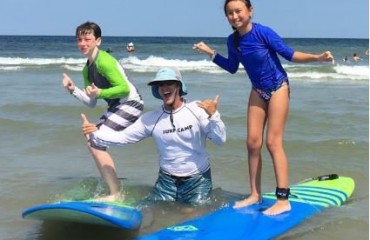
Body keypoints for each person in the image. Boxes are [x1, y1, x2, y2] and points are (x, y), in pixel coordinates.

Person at [193, 0, 334, 215]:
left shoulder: (263, 33)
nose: (234, 16)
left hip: (278, 87)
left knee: (272, 142)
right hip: (258, 90)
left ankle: (283, 199)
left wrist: (317, 58)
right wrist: (211, 53)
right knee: (252, 143)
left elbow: (289, 54)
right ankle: (254, 194)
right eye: (230, 13)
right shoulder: (233, 41)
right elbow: (232, 67)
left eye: (238, 11)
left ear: (250, 11)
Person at [81, 67, 226, 206]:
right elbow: (122, 138)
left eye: (169, 83)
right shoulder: (151, 119)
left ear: (178, 86)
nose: (164, 88)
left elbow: (220, 139)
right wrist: (94, 132)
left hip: (198, 179)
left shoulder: (198, 110)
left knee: (191, 212)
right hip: (166, 181)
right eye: (160, 85)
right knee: (148, 209)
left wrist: (214, 115)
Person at [62, 21, 144, 201]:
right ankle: (112, 187)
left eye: (87, 39)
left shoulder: (105, 61)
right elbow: (91, 102)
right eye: (79, 40)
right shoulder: (86, 70)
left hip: (131, 103)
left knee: (97, 139)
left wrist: (101, 92)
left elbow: (124, 89)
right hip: (116, 107)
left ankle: (115, 193)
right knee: (92, 141)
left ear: (98, 41)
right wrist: (72, 89)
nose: (82, 43)